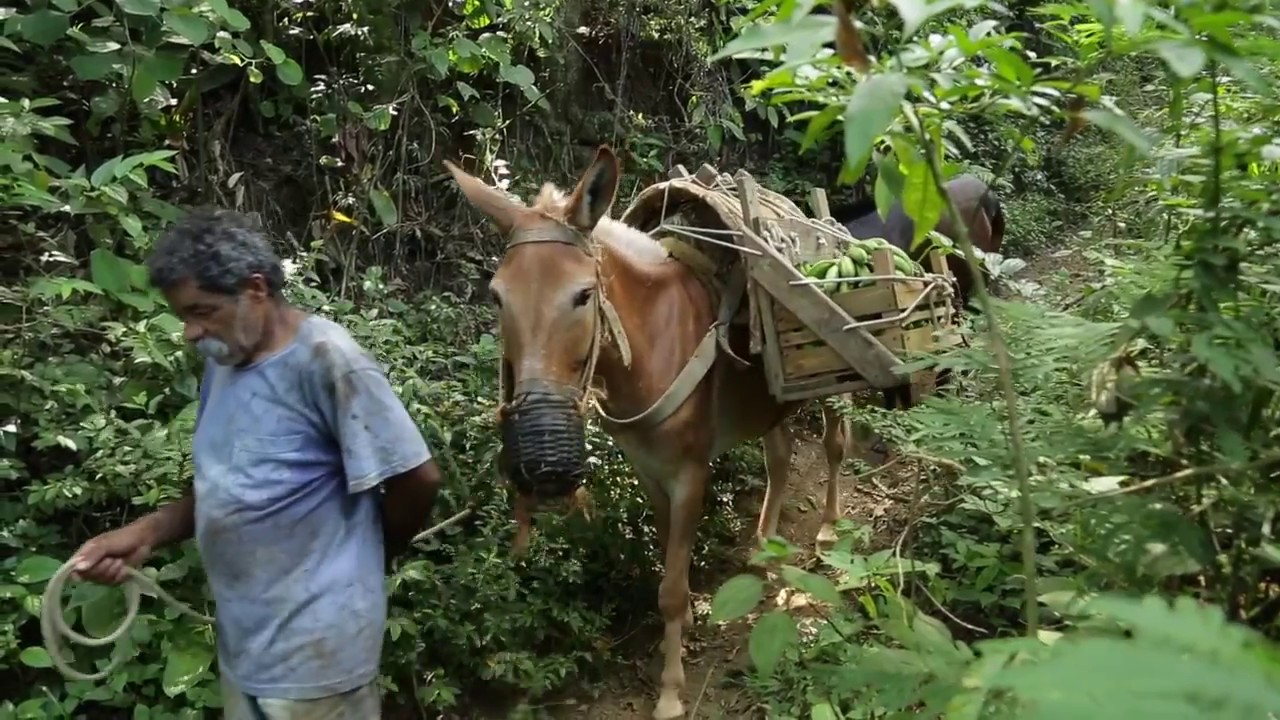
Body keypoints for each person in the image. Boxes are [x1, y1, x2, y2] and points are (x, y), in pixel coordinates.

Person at [68, 208, 442, 720]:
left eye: (202, 311)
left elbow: (417, 480)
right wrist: (145, 533)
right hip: (248, 646)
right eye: (183, 316)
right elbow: (227, 485)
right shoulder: (224, 360)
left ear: (257, 290)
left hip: (318, 655)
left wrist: (370, 559)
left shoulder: (327, 359)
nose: (190, 333)